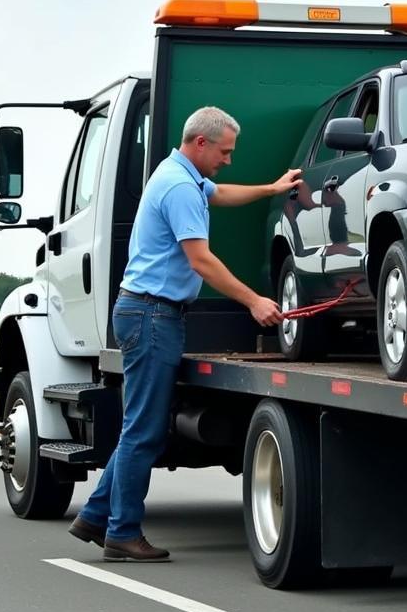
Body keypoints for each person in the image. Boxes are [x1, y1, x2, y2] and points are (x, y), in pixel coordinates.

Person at [68, 106, 300, 561]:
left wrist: (272, 189)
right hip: (153, 317)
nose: (228, 159)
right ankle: (122, 533)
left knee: (139, 428)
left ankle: (96, 516)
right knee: (145, 433)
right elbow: (201, 260)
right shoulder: (178, 187)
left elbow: (223, 193)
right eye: (225, 151)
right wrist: (254, 301)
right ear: (201, 143)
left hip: (146, 313)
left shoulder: (181, 174)